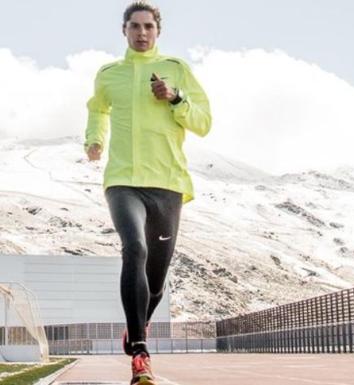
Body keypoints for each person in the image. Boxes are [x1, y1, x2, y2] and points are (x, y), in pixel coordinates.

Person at [84, 2, 211, 384]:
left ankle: (136, 324)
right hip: (123, 180)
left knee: (156, 280)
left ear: (158, 32)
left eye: (149, 27)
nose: (142, 33)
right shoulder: (110, 75)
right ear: (124, 30)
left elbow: (204, 123)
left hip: (168, 184)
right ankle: (140, 352)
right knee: (133, 249)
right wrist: (94, 140)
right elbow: (97, 110)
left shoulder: (176, 70)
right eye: (135, 26)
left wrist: (175, 99)